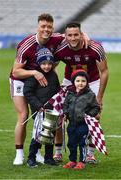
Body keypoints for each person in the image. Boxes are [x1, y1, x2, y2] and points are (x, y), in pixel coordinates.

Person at [9, 13, 89, 165]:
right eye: (43, 26)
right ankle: (19, 154)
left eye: (49, 27)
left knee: (41, 118)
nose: (46, 29)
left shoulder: (56, 38)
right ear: (37, 27)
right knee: (24, 114)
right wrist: (34, 72)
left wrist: (85, 35)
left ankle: (38, 153)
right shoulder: (27, 44)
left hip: (42, 80)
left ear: (52, 28)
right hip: (21, 79)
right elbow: (16, 71)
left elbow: (72, 35)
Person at [54, 22, 109, 163]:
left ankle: (90, 154)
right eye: (70, 35)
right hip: (69, 81)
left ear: (81, 34)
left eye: (76, 34)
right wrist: (56, 88)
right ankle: (58, 152)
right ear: (65, 36)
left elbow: (104, 71)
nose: (73, 38)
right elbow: (50, 67)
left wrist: (100, 97)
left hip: (92, 81)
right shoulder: (61, 49)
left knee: (95, 115)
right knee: (59, 116)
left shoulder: (95, 47)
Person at [23, 47, 60, 167]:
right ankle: (31, 158)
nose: (47, 66)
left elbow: (57, 91)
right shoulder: (34, 76)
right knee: (38, 135)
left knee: (50, 134)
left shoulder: (53, 75)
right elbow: (28, 92)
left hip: (52, 110)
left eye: (49, 63)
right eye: (44, 63)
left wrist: (59, 104)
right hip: (39, 111)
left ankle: (48, 158)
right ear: (39, 63)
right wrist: (38, 105)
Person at [62, 69, 100, 170]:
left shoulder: (90, 94)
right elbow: (65, 105)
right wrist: (65, 113)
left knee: (82, 143)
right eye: (78, 81)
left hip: (83, 124)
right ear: (74, 82)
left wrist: (88, 115)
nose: (80, 83)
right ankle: (72, 160)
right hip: (72, 124)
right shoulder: (70, 93)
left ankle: (81, 161)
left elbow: (96, 107)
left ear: (87, 82)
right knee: (71, 143)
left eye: (83, 81)